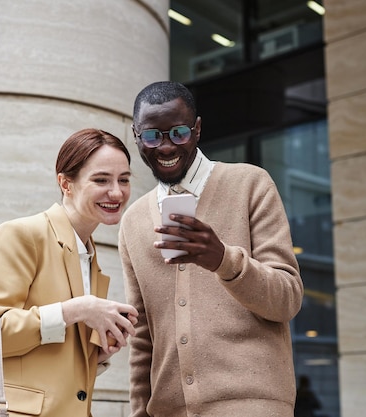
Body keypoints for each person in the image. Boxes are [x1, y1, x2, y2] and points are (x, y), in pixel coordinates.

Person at [119, 81, 304, 417]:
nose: (165, 147)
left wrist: (223, 260)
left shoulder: (250, 184)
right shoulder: (132, 222)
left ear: (198, 129)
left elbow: (287, 299)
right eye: (151, 136)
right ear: (136, 135)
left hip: (252, 407)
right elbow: (144, 336)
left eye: (178, 133)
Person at [0, 128, 139, 417]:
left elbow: (50, 364)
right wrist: (77, 309)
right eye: (101, 180)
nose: (117, 192)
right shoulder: (21, 235)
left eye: (124, 179)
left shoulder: (90, 258)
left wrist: (98, 355)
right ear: (65, 183)